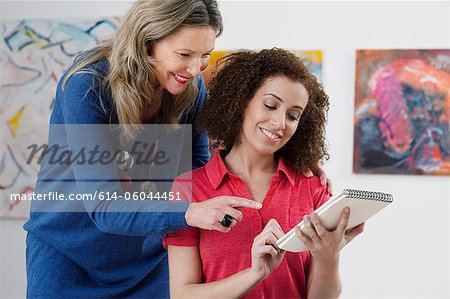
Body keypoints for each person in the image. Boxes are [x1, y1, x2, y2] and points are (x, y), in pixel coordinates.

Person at [23, 1, 265, 298]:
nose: (194, 69)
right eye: (184, 54)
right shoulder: (86, 84)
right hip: (68, 257)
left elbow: (198, 177)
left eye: (204, 55)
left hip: (148, 260)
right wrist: (189, 212)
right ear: (146, 42)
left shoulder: (190, 90)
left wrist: (292, 167)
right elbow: (104, 206)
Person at [164, 48, 365, 299]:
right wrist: (254, 273)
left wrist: (328, 257)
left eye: (293, 116)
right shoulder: (189, 188)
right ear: (241, 101)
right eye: (270, 105)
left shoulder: (313, 187)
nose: (280, 123)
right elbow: (183, 294)